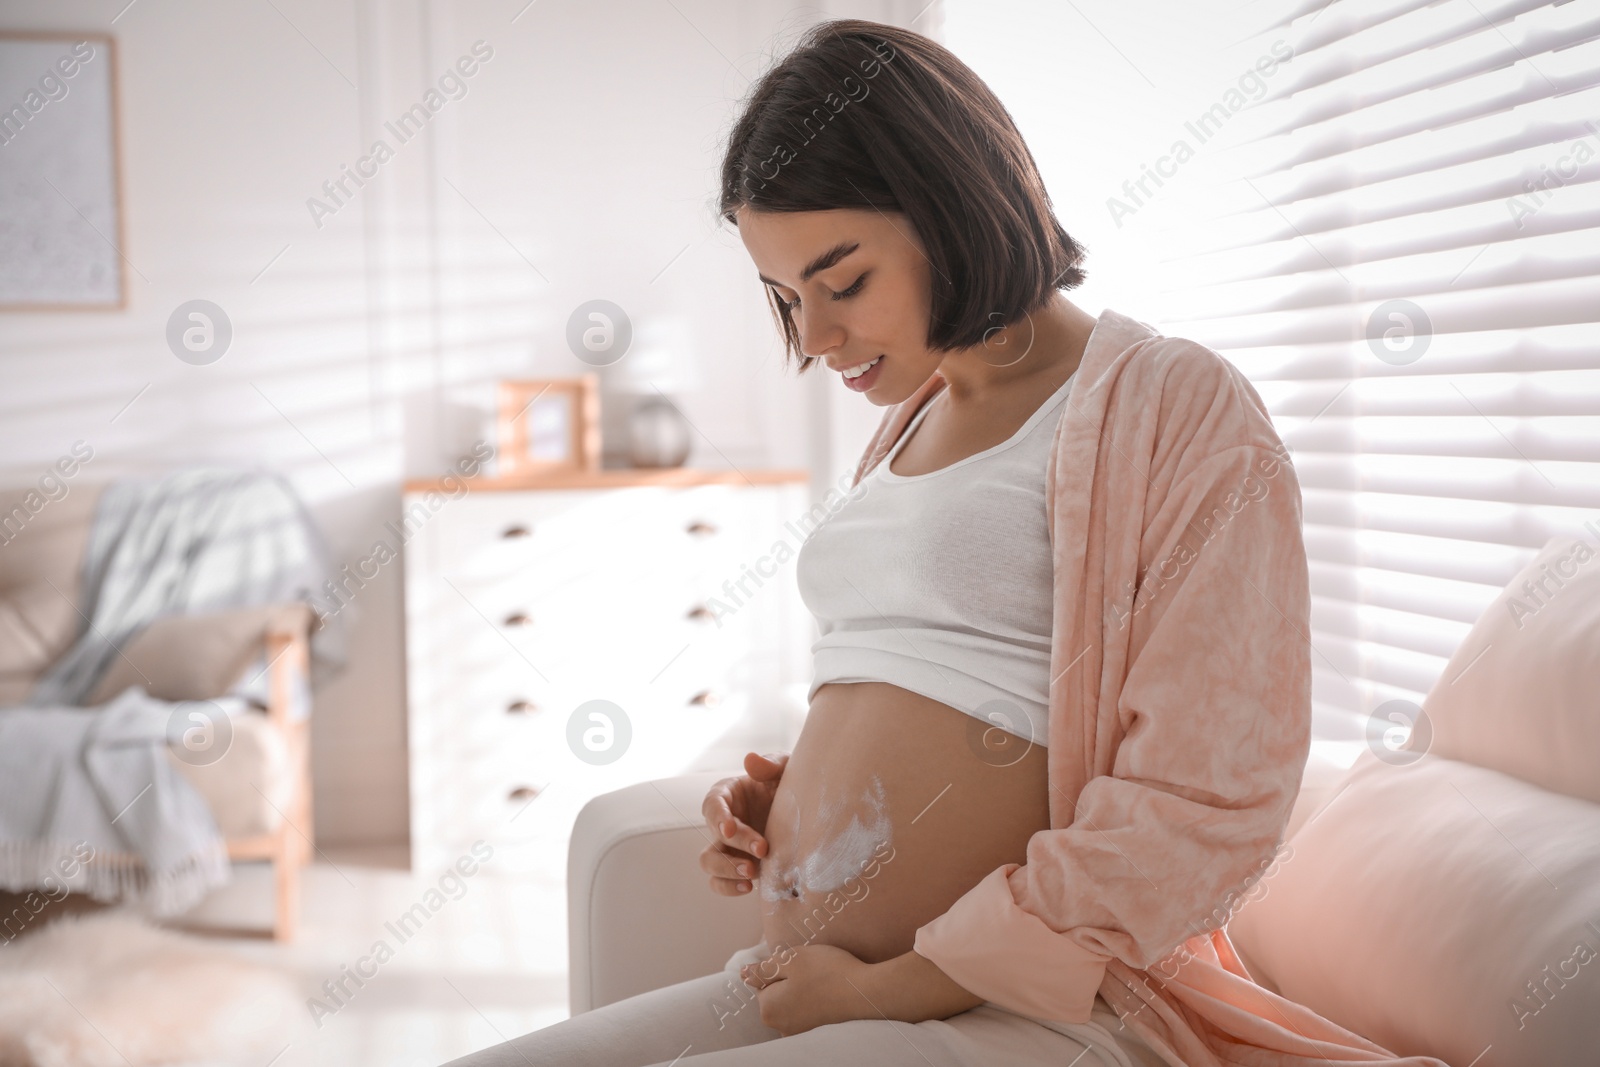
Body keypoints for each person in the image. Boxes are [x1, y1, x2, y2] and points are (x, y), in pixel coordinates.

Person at [443, 18, 1448, 1067]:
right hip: (816, 988)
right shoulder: (910, 416)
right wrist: (795, 802)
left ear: (954, 205)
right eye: (787, 298)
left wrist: (895, 980)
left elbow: (1205, 797)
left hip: (1027, 1012)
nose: (817, 339)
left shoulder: (1174, 404)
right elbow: (964, 687)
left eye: (844, 281)